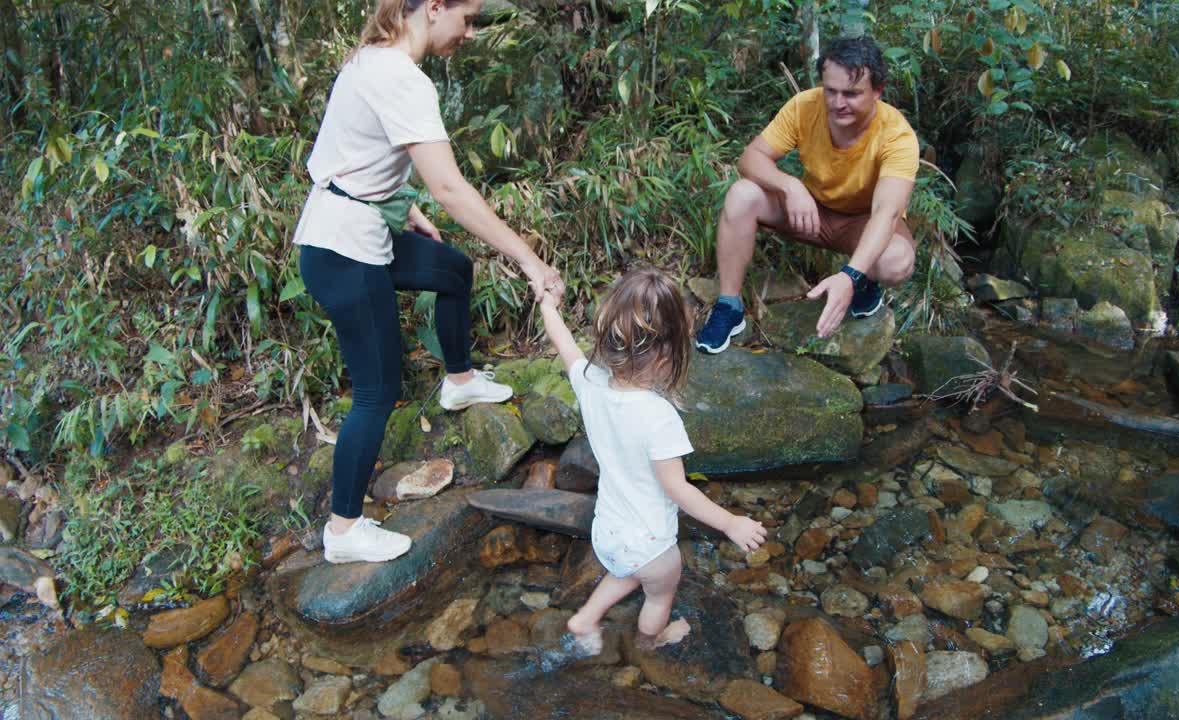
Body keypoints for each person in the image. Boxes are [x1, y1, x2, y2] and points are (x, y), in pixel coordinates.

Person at [294, 0, 564, 564]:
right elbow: (451, 189)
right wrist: (529, 261)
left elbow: (351, 153)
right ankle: (344, 530)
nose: (469, 33)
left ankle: (460, 379)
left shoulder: (370, 60)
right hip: (345, 250)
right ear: (434, 7)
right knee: (376, 393)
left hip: (350, 230)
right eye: (466, 19)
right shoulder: (403, 79)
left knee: (451, 269)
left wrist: (403, 204)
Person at [538, 268, 768, 653]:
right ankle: (651, 641)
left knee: (625, 570)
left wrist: (549, 306)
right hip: (650, 543)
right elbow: (677, 488)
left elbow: (564, 344)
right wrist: (730, 522)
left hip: (608, 532)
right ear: (667, 357)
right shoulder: (659, 417)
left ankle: (585, 619)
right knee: (660, 593)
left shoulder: (590, 382)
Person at [696, 35, 920, 352]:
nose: (838, 102)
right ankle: (729, 307)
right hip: (810, 212)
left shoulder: (897, 135)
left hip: (861, 224)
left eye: (852, 94)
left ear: (877, 92)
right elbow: (750, 158)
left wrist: (849, 276)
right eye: (831, 90)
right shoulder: (805, 106)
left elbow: (887, 212)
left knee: (896, 261)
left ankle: (864, 279)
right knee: (742, 195)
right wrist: (791, 185)